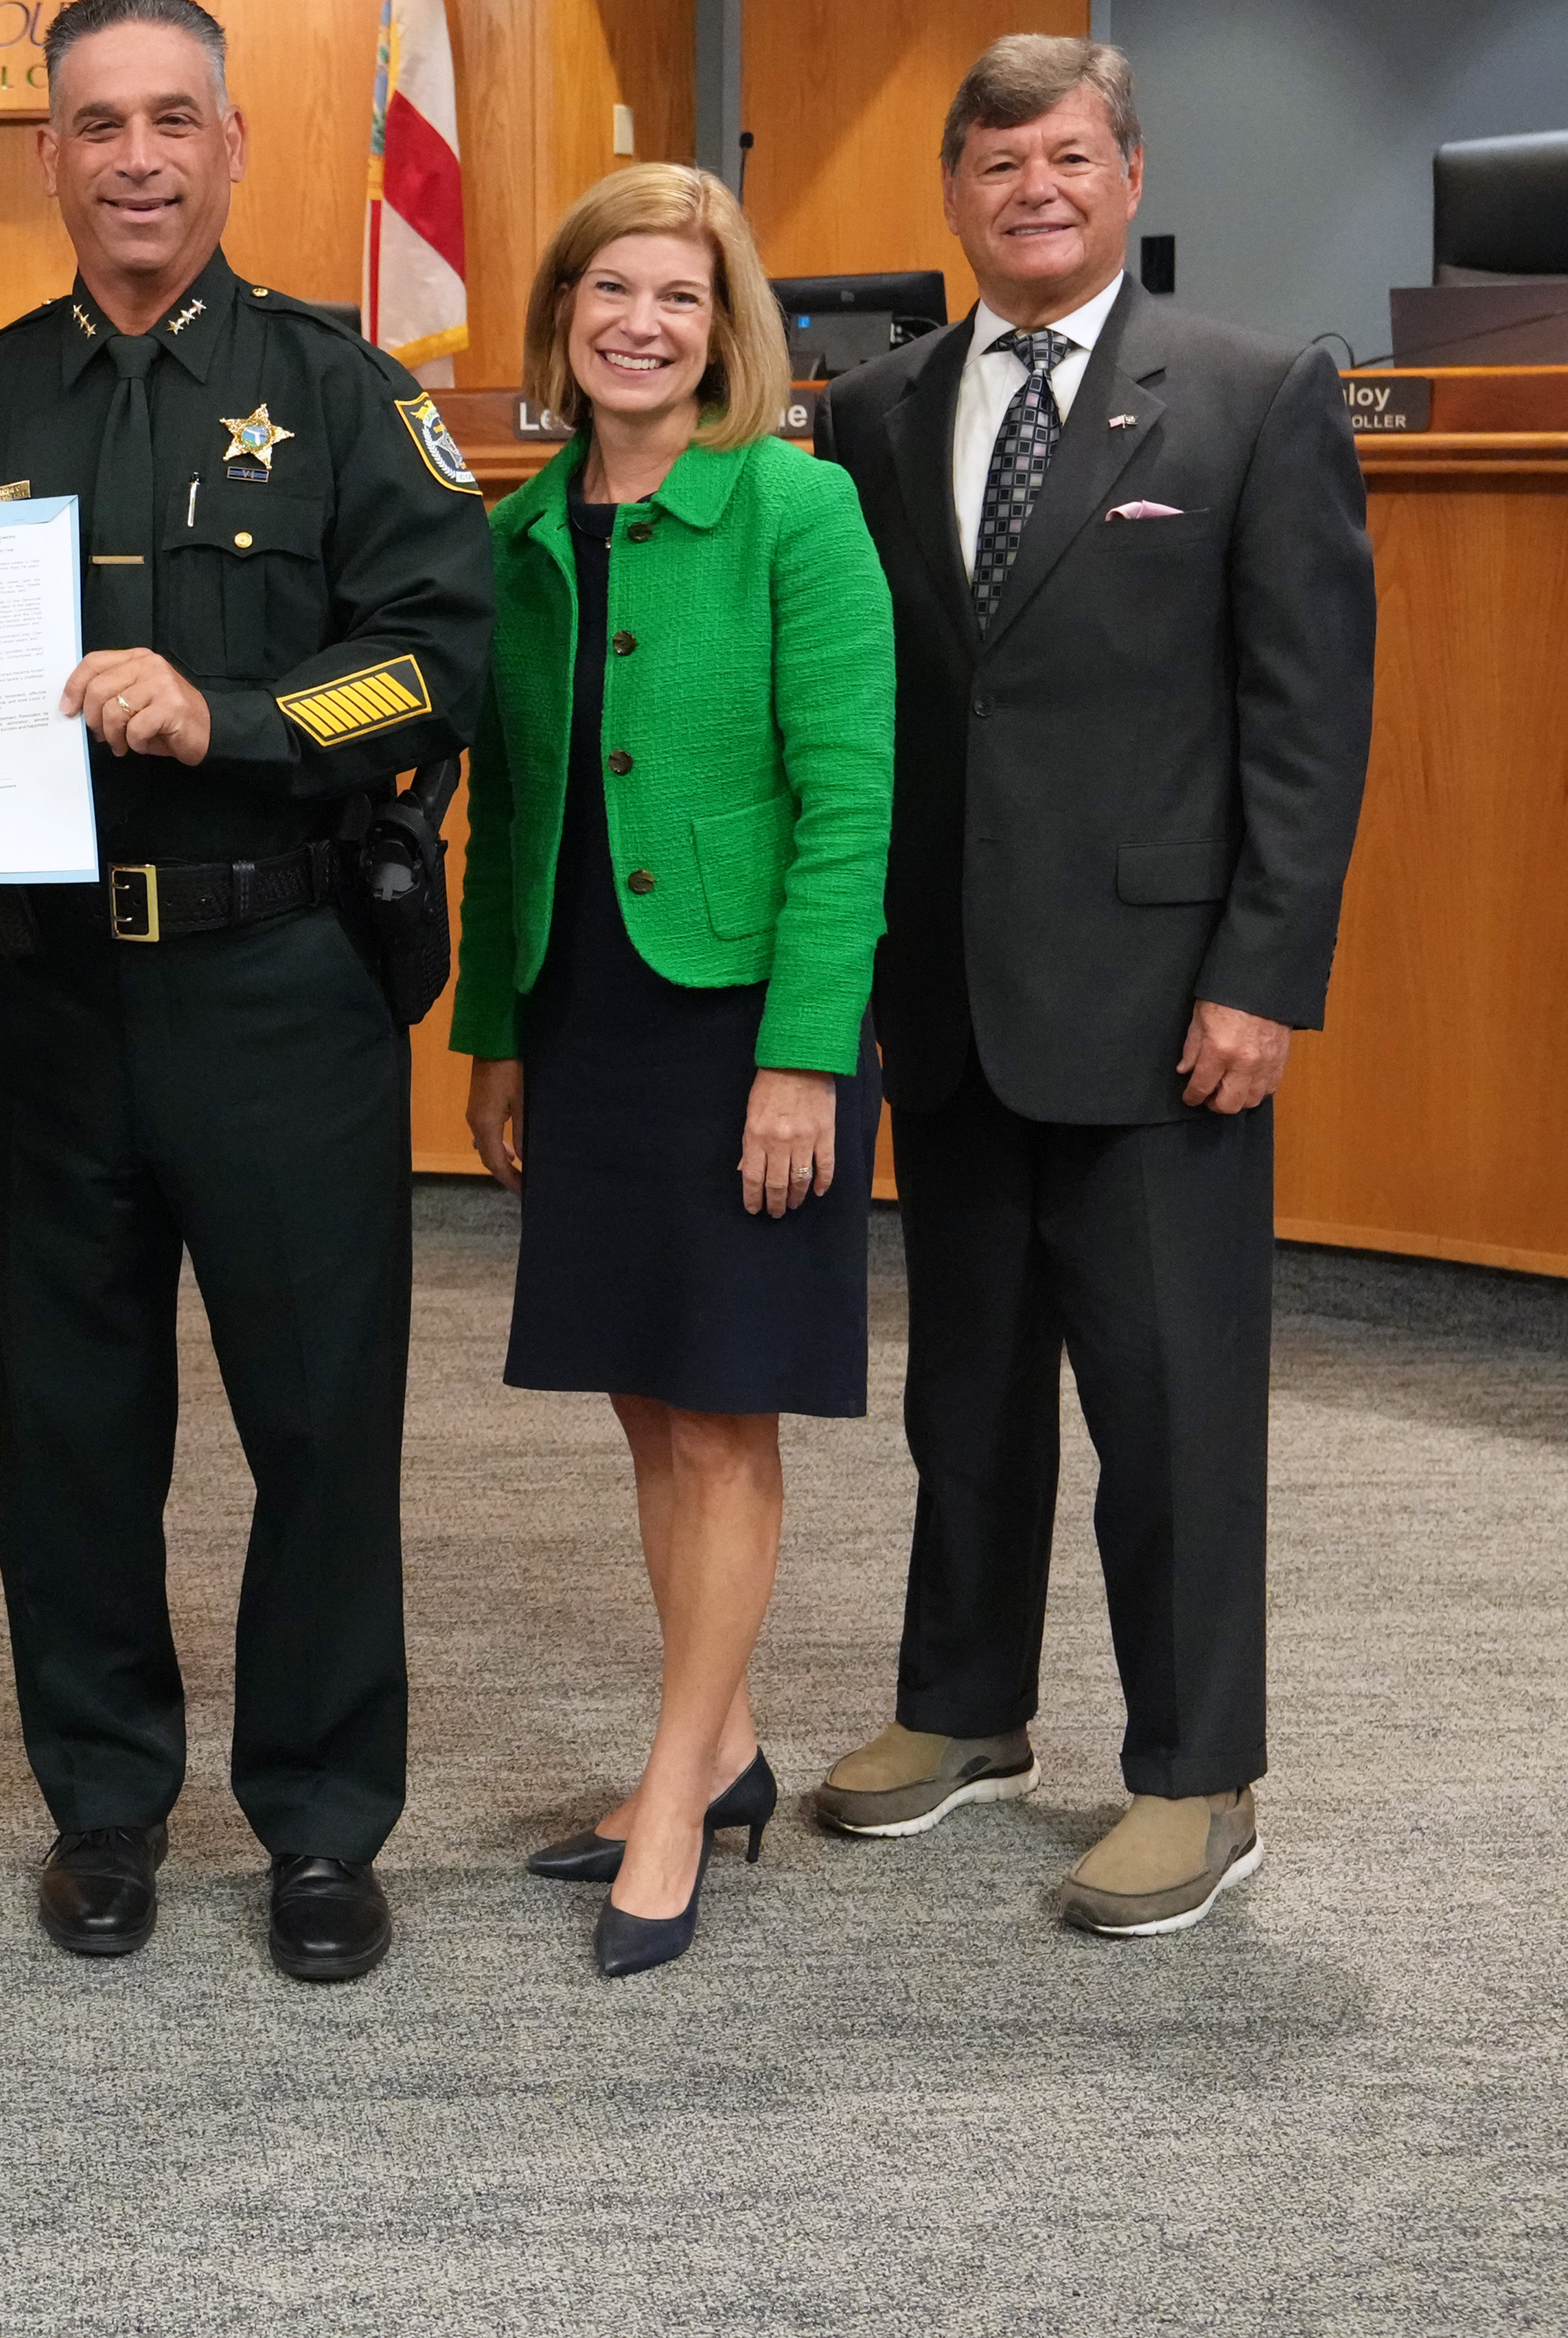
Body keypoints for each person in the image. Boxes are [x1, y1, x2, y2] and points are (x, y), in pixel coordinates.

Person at [0, 0, 494, 1986]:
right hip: (51, 998)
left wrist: (223, 712)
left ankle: (320, 1823)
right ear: (46, 156)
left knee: (318, 1422)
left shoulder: (339, 389)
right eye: (96, 123)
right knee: (75, 1424)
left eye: (171, 119)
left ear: (232, 146)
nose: (135, 156)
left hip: (278, 981)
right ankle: (108, 1804)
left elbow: (439, 661)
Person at [807, 35, 1374, 1936]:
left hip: (1163, 1011)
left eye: (1066, 157)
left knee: (1172, 1410)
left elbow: (1307, 720)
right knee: (963, 1393)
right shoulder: (874, 413)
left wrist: (1264, 976)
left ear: (1129, 174)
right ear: (953, 193)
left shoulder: (1252, 394)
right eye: (993, 163)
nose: (1030, 190)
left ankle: (1198, 1777)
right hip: (951, 1000)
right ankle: (963, 1710)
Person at [452, 165, 892, 1978]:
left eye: (681, 298)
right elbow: (510, 809)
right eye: (611, 290)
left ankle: (669, 1796)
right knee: (649, 1396)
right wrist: (492, 1033)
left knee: (724, 1415)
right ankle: (723, 1750)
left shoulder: (797, 507)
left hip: (740, 1020)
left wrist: (806, 1058)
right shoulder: (528, 528)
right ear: (564, 317)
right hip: (588, 1019)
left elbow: (852, 798)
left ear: (727, 333)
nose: (642, 322)